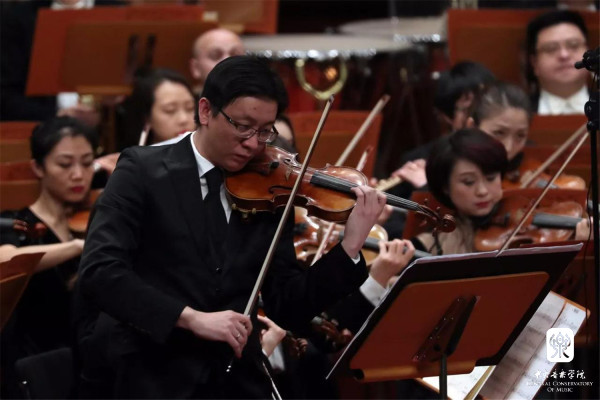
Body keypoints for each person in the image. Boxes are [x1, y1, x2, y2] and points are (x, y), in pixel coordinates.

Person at [75, 55, 386, 398]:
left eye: (265, 131)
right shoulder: (142, 171)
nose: (253, 144)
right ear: (206, 111)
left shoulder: (270, 188)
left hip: (235, 378)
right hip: (152, 371)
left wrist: (349, 247)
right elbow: (101, 272)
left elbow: (286, 305)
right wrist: (190, 318)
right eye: (242, 126)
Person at [0, 116, 97, 397]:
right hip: (37, 366)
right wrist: (77, 247)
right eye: (65, 164)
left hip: (88, 359)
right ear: (38, 167)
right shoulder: (17, 224)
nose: (78, 174)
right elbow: (7, 260)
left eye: (87, 163)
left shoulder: (97, 216)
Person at [468, 81, 586, 189]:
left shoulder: (529, 170)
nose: (508, 147)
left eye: (520, 136)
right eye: (499, 133)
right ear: (472, 127)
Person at [525, 10, 590, 114]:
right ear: (534, 63)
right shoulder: (518, 113)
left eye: (573, 45)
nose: (564, 55)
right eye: (551, 48)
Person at [115, 68, 196, 150]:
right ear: (146, 117)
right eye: (170, 110)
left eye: (190, 108)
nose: (183, 119)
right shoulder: (131, 156)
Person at [189, 28, 245, 95]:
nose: (227, 61)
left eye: (235, 55)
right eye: (215, 56)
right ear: (196, 68)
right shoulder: (185, 100)